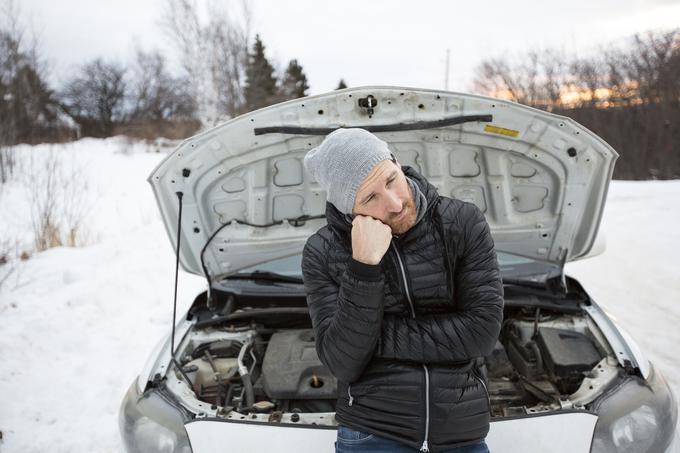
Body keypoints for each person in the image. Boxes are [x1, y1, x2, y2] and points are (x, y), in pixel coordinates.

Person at [301, 128, 504, 453]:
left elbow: (482, 332)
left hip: (459, 429)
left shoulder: (463, 222)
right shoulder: (322, 252)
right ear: (348, 209)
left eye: (392, 180)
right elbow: (342, 363)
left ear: (397, 161)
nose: (395, 203)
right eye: (370, 199)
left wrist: (372, 340)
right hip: (371, 431)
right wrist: (363, 266)